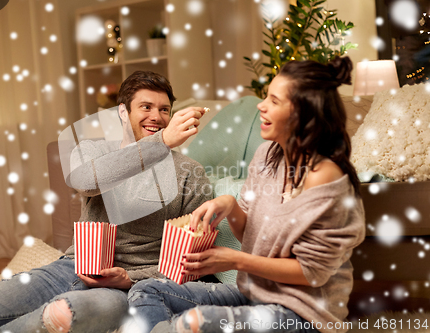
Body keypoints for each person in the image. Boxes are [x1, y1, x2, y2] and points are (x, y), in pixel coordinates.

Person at [0, 71, 213, 333]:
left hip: (126, 286)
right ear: (123, 113)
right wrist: (160, 142)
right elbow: (86, 182)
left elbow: (194, 260)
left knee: (60, 315)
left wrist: (130, 277)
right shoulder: (93, 150)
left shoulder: (190, 172)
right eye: (146, 107)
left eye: (164, 110)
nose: (157, 117)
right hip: (72, 266)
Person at [127, 57, 366, 333]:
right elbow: (253, 239)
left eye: (274, 101)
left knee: (196, 323)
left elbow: (312, 273)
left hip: (304, 313)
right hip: (255, 296)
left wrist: (235, 260)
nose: (261, 106)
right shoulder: (267, 157)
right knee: (145, 292)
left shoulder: (323, 176)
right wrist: (230, 206)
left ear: (303, 113)